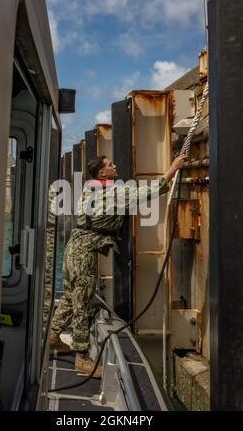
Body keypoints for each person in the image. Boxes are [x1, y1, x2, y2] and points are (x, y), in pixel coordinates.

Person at [50, 154, 186, 377]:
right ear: (102, 173)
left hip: (73, 250)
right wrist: (173, 167)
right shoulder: (112, 193)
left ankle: (54, 337)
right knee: (82, 303)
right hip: (83, 254)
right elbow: (151, 190)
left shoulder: (89, 189)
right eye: (110, 165)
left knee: (71, 296)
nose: (115, 166)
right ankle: (82, 359)